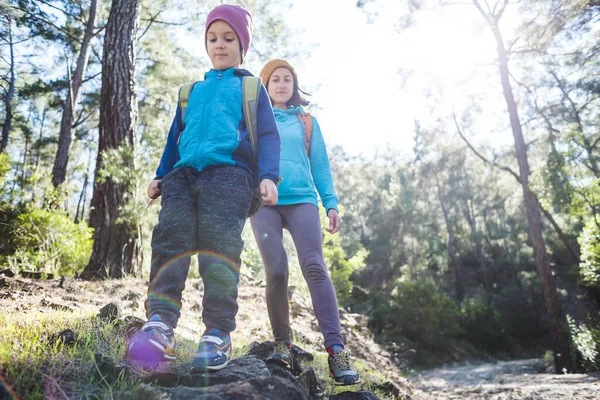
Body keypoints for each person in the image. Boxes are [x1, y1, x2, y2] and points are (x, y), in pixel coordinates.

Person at [127, 4, 280, 373]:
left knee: (218, 250)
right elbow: (174, 139)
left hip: (230, 175)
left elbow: (269, 136)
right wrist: (161, 174)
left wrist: (268, 177)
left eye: (229, 38)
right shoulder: (190, 91)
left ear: (242, 45)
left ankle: (217, 333)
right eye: (213, 38)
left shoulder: (250, 87)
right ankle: (161, 325)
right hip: (182, 176)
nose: (220, 45)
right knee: (169, 242)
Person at [250, 59, 360, 385]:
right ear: (266, 88)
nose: (282, 84)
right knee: (277, 270)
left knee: (314, 266)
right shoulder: (255, 122)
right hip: (264, 203)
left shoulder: (307, 122)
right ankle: (283, 345)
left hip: (302, 201)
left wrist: (331, 204)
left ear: (294, 86)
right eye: (275, 80)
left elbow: (321, 166)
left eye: (287, 79)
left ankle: (337, 351)